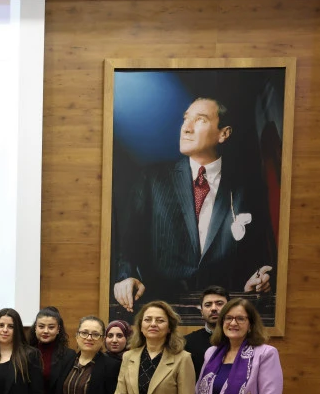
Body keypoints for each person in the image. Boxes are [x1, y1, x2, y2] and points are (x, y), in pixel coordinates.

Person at [112, 97, 275, 316]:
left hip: (224, 312)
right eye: (185, 119)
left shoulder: (247, 186)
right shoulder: (152, 180)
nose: (186, 129)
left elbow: (257, 252)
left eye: (200, 120)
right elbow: (129, 244)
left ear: (224, 133)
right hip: (163, 310)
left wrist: (257, 278)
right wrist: (126, 277)